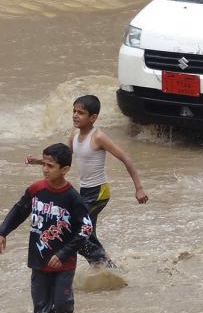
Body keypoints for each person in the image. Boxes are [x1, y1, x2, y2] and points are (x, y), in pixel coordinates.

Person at [26, 95, 149, 269]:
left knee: (77, 231)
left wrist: (139, 188)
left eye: (81, 113)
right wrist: (39, 161)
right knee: (87, 232)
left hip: (99, 192)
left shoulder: (98, 137)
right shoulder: (75, 134)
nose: (75, 115)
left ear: (93, 117)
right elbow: (63, 158)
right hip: (84, 192)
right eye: (74, 111)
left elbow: (125, 159)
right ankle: (105, 268)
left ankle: (105, 266)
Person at [0, 144, 93, 313]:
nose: (45, 169)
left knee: (61, 304)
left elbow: (86, 228)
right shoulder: (36, 189)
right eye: (44, 164)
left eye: (50, 166)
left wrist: (63, 253)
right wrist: (3, 231)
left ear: (65, 169)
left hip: (64, 263)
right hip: (38, 259)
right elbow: (19, 210)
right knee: (40, 306)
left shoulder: (72, 198)